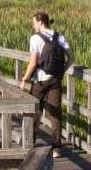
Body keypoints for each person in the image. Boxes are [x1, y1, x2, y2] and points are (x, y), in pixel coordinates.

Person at [19, 11, 74, 148]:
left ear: (41, 22)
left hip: (41, 80)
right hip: (56, 80)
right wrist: (61, 71)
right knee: (55, 112)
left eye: (34, 23)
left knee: (35, 109)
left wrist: (24, 79)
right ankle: (57, 146)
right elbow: (71, 58)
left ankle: (30, 142)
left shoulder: (35, 38)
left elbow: (32, 63)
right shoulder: (59, 36)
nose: (33, 26)